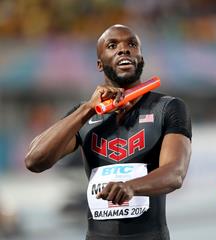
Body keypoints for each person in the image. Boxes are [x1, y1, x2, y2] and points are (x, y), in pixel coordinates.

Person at [25, 24, 192, 240]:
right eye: (112, 46)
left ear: (140, 58)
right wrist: (87, 109)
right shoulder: (83, 115)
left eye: (132, 45)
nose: (124, 50)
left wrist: (131, 187)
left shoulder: (168, 108)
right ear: (99, 64)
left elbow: (175, 174)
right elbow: (34, 161)